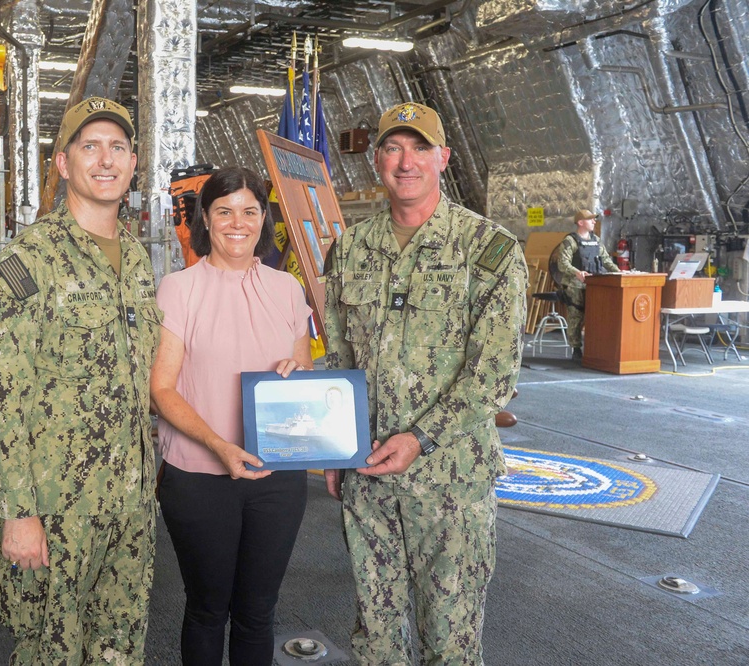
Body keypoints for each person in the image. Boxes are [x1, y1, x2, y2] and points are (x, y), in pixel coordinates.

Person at [322, 102, 527, 666]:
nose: (405, 161)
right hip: (367, 479)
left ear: (444, 157)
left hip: (450, 483)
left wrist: (419, 438)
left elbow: (493, 376)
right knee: (375, 637)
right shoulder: (349, 249)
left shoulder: (489, 251)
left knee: (450, 640)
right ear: (377, 160)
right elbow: (339, 356)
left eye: (418, 148)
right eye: (392, 148)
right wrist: (334, 447)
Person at [0, 97, 160, 665]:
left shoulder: (139, 261)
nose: (105, 160)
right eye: (90, 146)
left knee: (120, 649)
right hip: (57, 507)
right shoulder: (31, 261)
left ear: (132, 162)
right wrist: (18, 512)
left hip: (129, 507)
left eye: (117, 148)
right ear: (64, 163)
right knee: (51, 651)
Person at [150, 166, 313, 666]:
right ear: (206, 218)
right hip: (201, 477)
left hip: (277, 476)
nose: (237, 223)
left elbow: (303, 367)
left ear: (264, 219)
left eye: (249, 211)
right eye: (224, 211)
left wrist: (296, 370)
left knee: (258, 612)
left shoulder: (287, 288)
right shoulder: (179, 289)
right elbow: (160, 388)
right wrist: (220, 446)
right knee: (207, 609)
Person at [555, 209, 620, 361]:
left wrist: (621, 273)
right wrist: (577, 272)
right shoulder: (570, 241)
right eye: (590, 219)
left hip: (594, 285)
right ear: (580, 222)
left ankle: (595, 348)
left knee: (597, 317)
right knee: (576, 317)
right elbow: (562, 263)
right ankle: (576, 348)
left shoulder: (596, 240)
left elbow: (606, 260)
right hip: (574, 285)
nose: (594, 221)